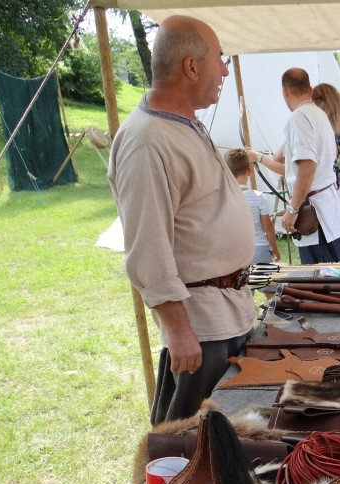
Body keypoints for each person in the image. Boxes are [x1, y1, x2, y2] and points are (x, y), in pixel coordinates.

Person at [108, 16, 256, 425]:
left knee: (225, 440)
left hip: (227, 314)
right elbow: (147, 247)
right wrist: (178, 331)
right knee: (188, 445)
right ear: (191, 67)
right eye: (220, 60)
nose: (225, 70)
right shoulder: (146, 140)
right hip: (200, 329)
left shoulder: (183, 122)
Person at [253, 68, 340, 264]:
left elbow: (307, 166)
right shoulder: (318, 115)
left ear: (285, 91)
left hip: (315, 217)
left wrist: (293, 210)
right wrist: (262, 157)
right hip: (325, 213)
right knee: (331, 280)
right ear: (310, 89)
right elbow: (290, 160)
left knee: (320, 285)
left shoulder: (299, 118)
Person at [223, 148, 280, 265]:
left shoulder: (223, 198)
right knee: (264, 283)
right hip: (259, 249)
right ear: (249, 171)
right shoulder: (258, 197)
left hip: (233, 251)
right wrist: (274, 249)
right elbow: (268, 227)